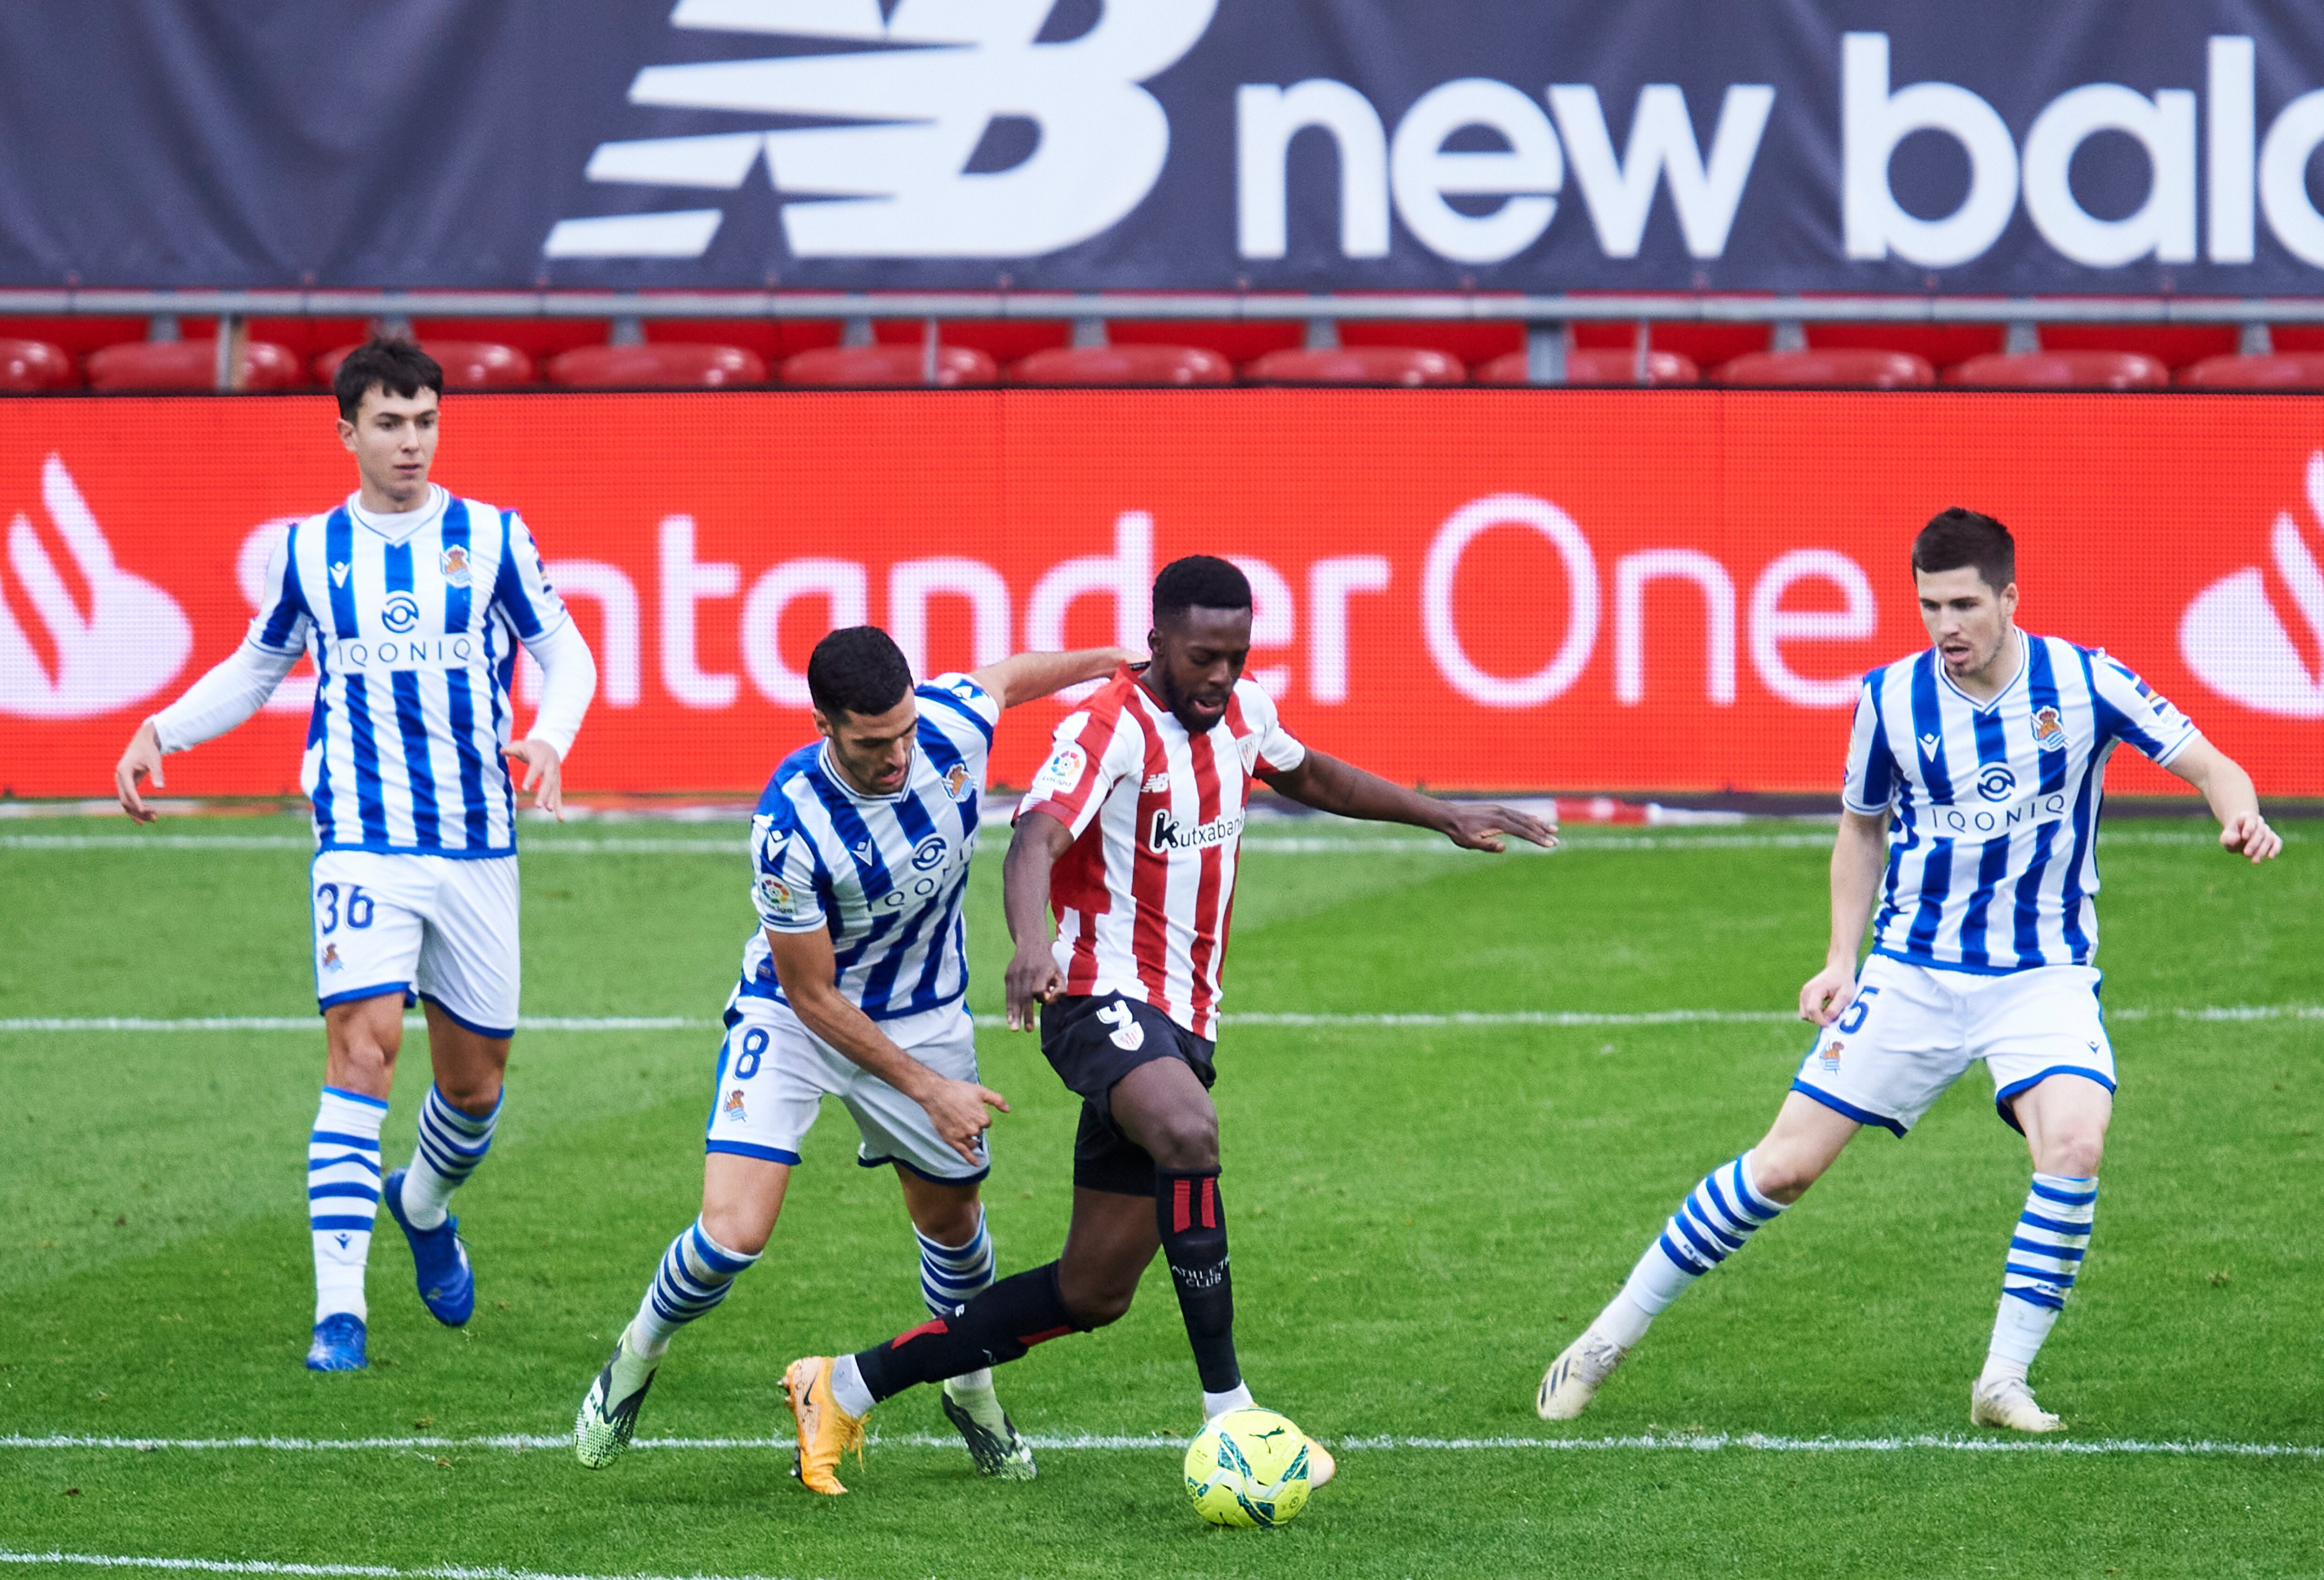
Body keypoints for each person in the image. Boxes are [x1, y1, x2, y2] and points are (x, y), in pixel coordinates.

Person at [777, 555, 1557, 1495]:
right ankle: (1232, 1412)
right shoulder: (1105, 725)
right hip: (1094, 995)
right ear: (1156, 644)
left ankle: (846, 1382)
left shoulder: (1242, 713)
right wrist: (1032, 941)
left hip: (1183, 1020)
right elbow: (1034, 837)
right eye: (1201, 657)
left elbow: (1311, 773)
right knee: (1188, 1132)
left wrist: (1440, 815)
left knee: (1091, 1289)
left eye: (1235, 656)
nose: (1219, 676)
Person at [1535, 507, 2282, 1433]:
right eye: (1929, 605)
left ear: (2010, 596)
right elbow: (1859, 829)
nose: (1946, 626)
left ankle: (2001, 1380)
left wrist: (2238, 813)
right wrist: (1840, 957)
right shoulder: (1888, 698)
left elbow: (2215, 764)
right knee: (1784, 1168)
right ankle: (1605, 1336)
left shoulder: (2086, 681)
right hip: (1914, 971)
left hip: (2039, 972)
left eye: (1965, 603)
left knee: (2076, 1144)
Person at [112, 337, 599, 1371]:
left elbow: (568, 653)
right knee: (362, 1049)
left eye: (424, 419)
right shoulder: (307, 551)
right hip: (361, 841)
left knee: (475, 1086)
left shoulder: (494, 537)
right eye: (389, 422)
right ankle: (341, 1314)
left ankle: (421, 1203)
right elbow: (259, 664)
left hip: (475, 843)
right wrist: (168, 726)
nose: (410, 440)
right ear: (348, 432)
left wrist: (550, 737)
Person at [574, 626, 1125, 1480]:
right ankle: (635, 1358)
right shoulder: (790, 826)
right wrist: (930, 1090)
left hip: (926, 1014)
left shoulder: (947, 724)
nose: (898, 755)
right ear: (825, 725)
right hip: (798, 1019)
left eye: (904, 731)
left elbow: (1013, 677)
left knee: (954, 1222)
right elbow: (812, 994)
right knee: (732, 1236)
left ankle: (970, 1392)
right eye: (873, 742)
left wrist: (1115, 660)